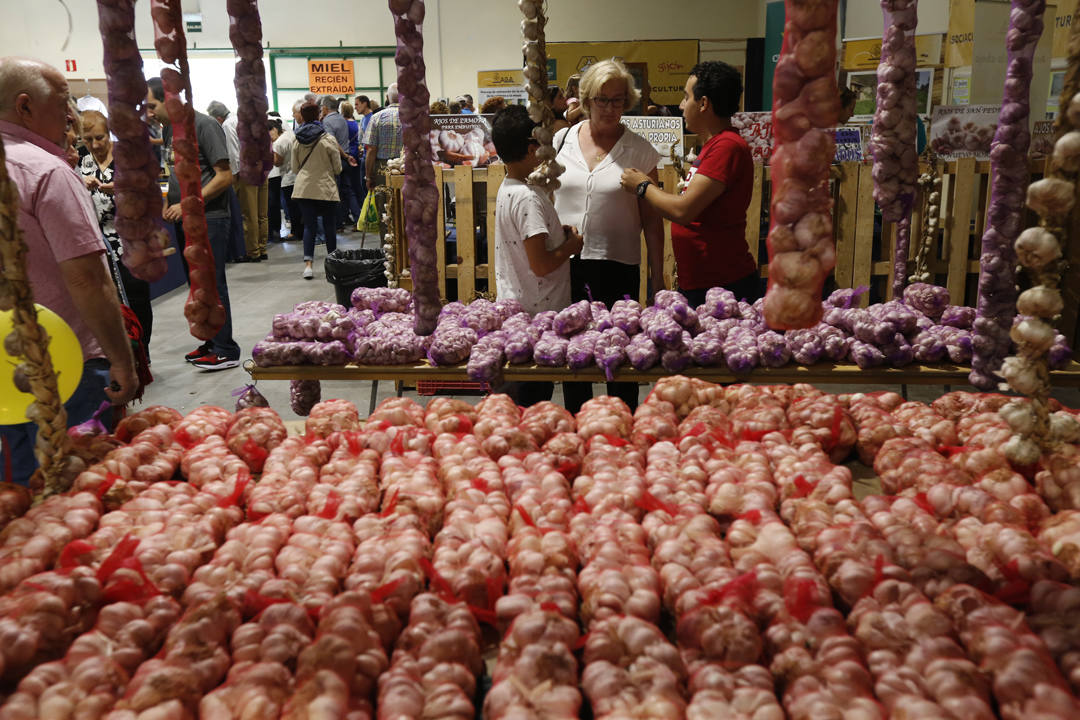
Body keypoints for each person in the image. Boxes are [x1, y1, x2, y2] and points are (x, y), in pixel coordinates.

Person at [0, 56, 137, 483]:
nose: (72, 117)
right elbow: (86, 278)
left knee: (18, 496)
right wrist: (122, 361)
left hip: (6, 368)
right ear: (24, 107)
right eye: (64, 105)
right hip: (65, 364)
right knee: (81, 491)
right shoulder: (45, 172)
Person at [552, 58, 664, 414]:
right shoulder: (562, 139)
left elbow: (652, 220)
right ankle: (577, 427)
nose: (611, 108)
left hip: (619, 267)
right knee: (576, 356)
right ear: (586, 100)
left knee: (622, 360)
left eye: (618, 100)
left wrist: (657, 274)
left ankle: (621, 428)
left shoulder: (640, 150)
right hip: (568, 265)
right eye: (602, 99)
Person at [620, 61, 758, 308]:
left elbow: (683, 211)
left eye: (686, 97)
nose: (682, 105)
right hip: (702, 284)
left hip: (722, 287)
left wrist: (643, 186)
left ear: (704, 103)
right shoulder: (713, 146)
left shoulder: (727, 147)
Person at [148, 77, 242, 370]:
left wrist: (187, 203)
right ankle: (211, 341)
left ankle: (226, 348)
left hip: (209, 220)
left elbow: (224, 177)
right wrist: (168, 203)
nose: (148, 113)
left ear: (170, 100)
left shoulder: (204, 126)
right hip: (184, 218)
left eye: (152, 106)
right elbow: (176, 172)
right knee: (197, 287)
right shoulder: (169, 132)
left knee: (212, 285)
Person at [492, 105, 583, 407]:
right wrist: (571, 246)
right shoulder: (528, 197)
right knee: (530, 400)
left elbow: (528, 242)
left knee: (519, 399)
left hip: (517, 307)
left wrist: (558, 233)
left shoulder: (509, 188)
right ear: (533, 149)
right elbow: (541, 265)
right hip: (536, 319)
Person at [77, 109, 154, 350]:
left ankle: (142, 350)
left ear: (109, 134)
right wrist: (80, 183)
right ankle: (120, 351)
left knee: (137, 297)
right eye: (88, 140)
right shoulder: (82, 160)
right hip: (98, 243)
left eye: (99, 137)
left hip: (130, 241)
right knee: (110, 301)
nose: (94, 144)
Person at [208, 99, 268, 263]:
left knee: (249, 214)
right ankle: (262, 248)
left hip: (246, 172)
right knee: (262, 213)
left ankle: (252, 251)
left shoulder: (228, 125)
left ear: (217, 118)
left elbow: (235, 154)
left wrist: (233, 177)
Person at [292, 99, 341, 279]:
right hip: (325, 188)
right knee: (329, 226)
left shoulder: (297, 140)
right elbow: (337, 168)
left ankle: (308, 266)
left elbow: (295, 168)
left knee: (309, 227)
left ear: (302, 116)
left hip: (304, 189)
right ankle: (333, 265)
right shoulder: (328, 139)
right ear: (319, 114)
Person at [364, 83, 402, 241]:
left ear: (387, 98)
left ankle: (388, 253)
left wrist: (368, 176)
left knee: (384, 211)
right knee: (405, 209)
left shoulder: (376, 117)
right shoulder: (414, 117)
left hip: (382, 169)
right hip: (407, 167)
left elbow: (371, 150)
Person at [320, 94, 357, 232]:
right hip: (347, 158)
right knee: (348, 191)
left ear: (324, 108)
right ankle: (357, 219)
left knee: (335, 193)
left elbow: (332, 142)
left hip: (338, 159)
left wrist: (345, 156)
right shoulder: (342, 119)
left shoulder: (327, 122)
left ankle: (338, 225)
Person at [276, 101, 302, 242]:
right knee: (298, 208)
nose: (293, 115)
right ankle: (299, 231)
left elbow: (277, 162)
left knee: (292, 208)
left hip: (288, 178)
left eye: (294, 112)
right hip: (297, 175)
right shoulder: (292, 134)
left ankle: (296, 232)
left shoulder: (280, 142)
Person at [340, 101, 365, 226]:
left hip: (348, 157)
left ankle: (357, 217)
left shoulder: (343, 124)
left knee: (348, 190)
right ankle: (357, 216)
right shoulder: (355, 123)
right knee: (356, 187)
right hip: (356, 155)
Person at [266, 115, 284, 245]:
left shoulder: (277, 142)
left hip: (274, 176)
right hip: (270, 175)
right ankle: (272, 232)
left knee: (273, 205)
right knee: (272, 205)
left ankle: (274, 232)